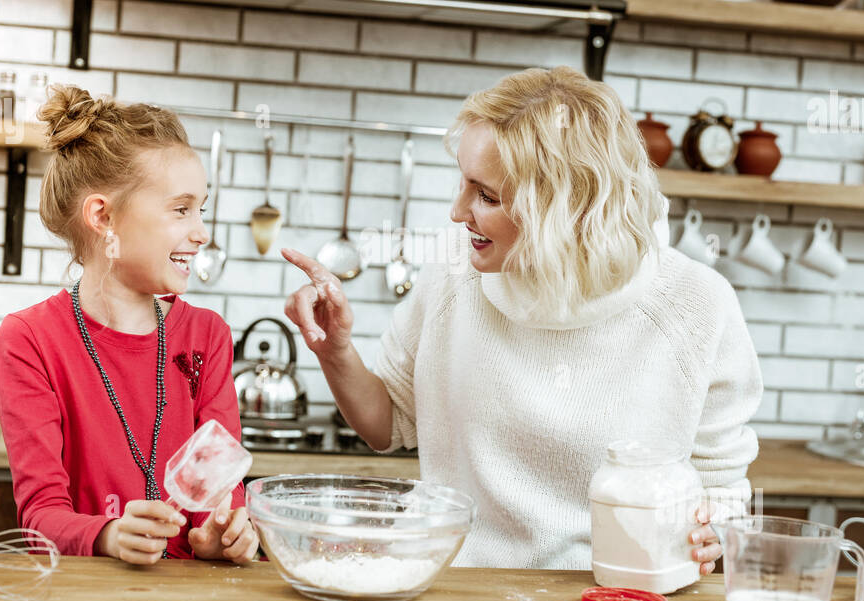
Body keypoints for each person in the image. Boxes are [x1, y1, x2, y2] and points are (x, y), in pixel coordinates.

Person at [282, 66, 763, 571]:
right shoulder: (453, 272)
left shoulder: (696, 305)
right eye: (462, 183)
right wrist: (335, 351)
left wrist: (716, 529)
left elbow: (721, 484)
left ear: (566, 207)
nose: (456, 211)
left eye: (486, 195)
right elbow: (389, 425)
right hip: (462, 597)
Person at [0, 85, 258, 565]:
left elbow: (221, 491)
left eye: (202, 209)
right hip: (89, 600)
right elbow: (41, 516)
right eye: (181, 210)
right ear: (103, 217)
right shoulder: (30, 340)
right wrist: (109, 535)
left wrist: (226, 531)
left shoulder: (207, 336)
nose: (202, 232)